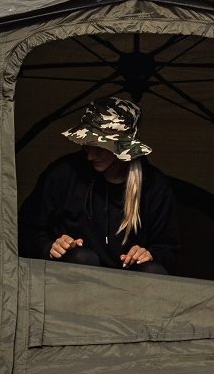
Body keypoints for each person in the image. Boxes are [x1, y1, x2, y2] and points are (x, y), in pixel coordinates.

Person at [18, 96, 178, 274]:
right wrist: (49, 247)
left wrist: (150, 254)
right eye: (87, 145)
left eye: (101, 147)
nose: (90, 156)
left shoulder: (154, 185)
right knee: (83, 258)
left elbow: (169, 248)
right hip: (72, 281)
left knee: (152, 270)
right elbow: (26, 229)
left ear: (122, 147)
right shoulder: (64, 174)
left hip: (129, 285)